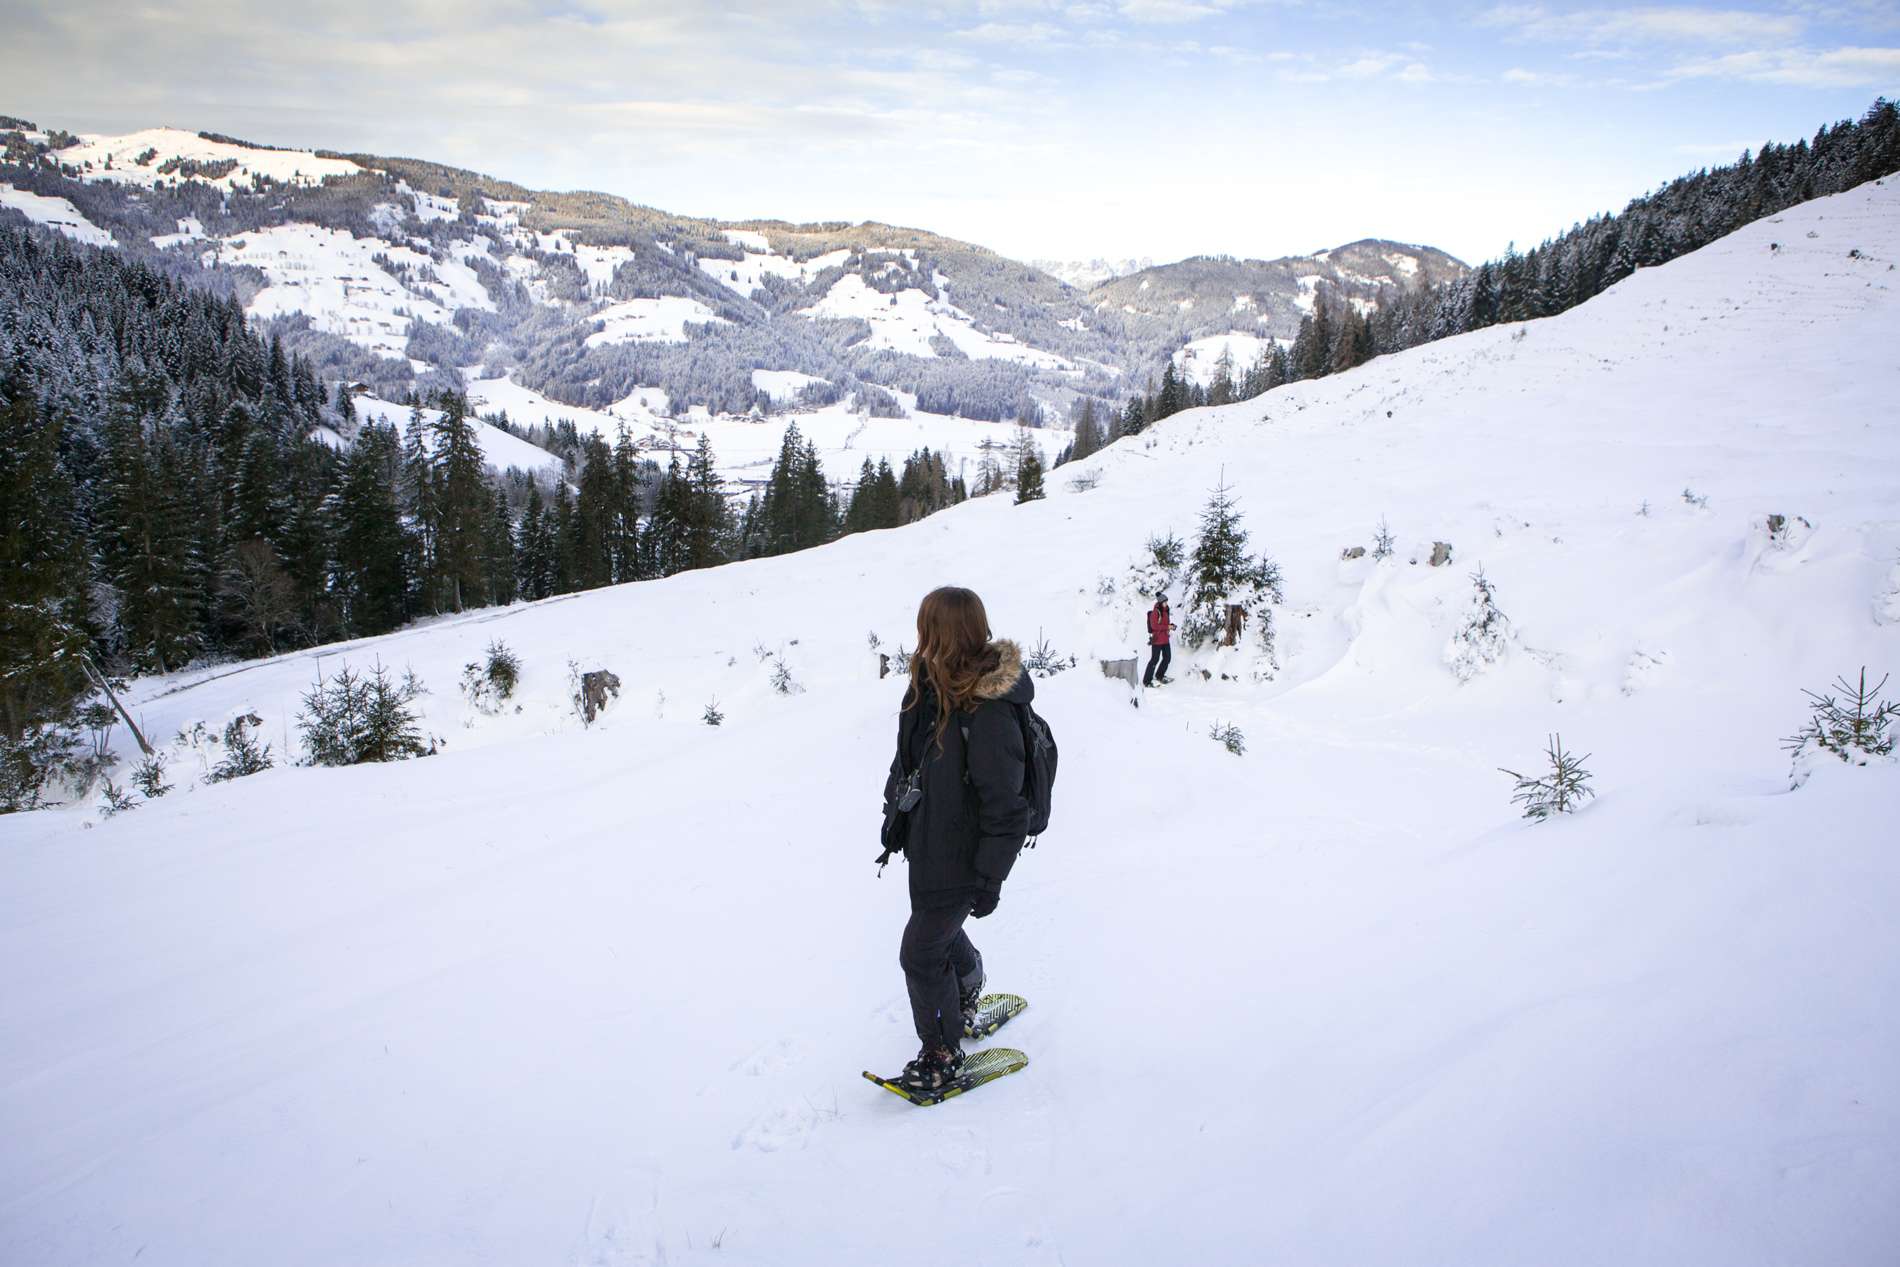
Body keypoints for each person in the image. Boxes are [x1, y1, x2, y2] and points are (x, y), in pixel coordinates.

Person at [881, 586, 1032, 1093]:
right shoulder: (926, 688)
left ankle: (941, 1052)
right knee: (933, 933)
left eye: (928, 627)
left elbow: (1006, 808)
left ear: (946, 634)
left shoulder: (988, 711)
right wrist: (894, 820)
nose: (920, 637)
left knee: (920, 953)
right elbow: (907, 762)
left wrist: (989, 879)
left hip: (963, 858)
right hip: (928, 847)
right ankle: (967, 988)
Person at [1144, 593, 1173, 686]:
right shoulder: (1155, 612)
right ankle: (1147, 681)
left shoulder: (1166, 610)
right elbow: (1154, 626)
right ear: (1160, 602)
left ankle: (1159, 675)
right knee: (1154, 660)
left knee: (1167, 658)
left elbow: (1164, 623)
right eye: (1164, 602)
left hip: (1165, 639)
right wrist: (1167, 627)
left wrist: (1171, 626)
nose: (1166, 603)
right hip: (1157, 640)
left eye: (1166, 601)